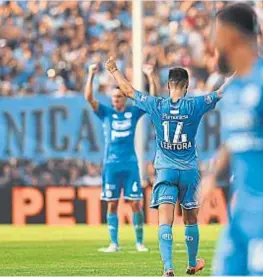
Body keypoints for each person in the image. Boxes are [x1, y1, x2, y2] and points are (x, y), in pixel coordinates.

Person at [105, 57, 225, 276]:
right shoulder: (195, 104)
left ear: (169, 85)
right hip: (189, 171)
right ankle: (191, 264)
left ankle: (168, 268)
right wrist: (239, 73)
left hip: (165, 170)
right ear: (187, 87)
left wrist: (113, 70)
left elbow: (129, 90)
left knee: (165, 221)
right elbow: (221, 92)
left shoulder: (157, 105)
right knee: (190, 219)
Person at [200, 3, 263, 276]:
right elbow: (232, 141)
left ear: (231, 34)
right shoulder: (234, 88)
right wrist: (212, 177)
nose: (212, 42)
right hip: (240, 217)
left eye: (216, 33)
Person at [85, 63, 156, 252]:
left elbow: (152, 101)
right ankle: (114, 243)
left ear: (124, 98)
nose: (115, 100)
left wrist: (150, 76)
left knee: (135, 204)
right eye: (113, 97)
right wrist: (91, 75)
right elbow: (89, 98)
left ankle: (139, 242)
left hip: (130, 164)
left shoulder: (133, 112)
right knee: (112, 203)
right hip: (110, 165)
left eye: (118, 97)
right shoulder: (105, 113)